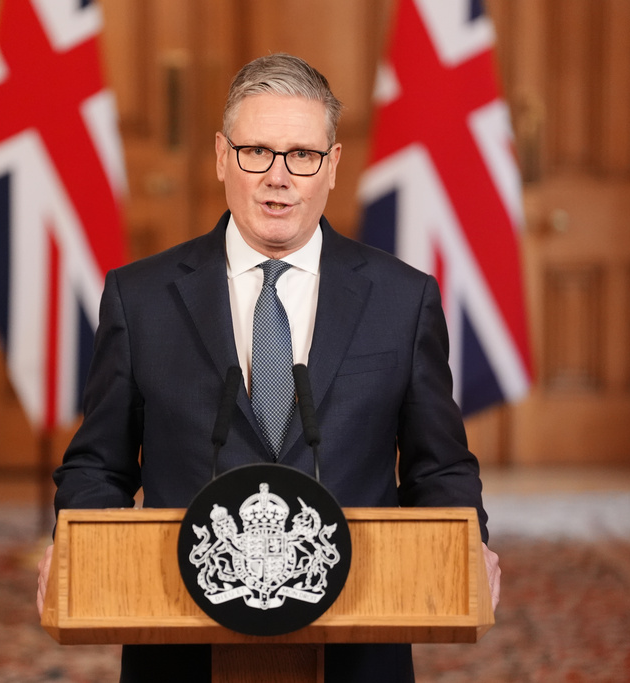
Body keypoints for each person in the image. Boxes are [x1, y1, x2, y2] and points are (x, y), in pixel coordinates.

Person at [37, 52, 501, 683]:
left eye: (302, 155)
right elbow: (98, 462)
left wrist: (466, 540)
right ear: (223, 157)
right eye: (257, 152)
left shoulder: (402, 299)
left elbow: (439, 464)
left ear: (332, 167)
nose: (278, 177)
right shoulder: (140, 298)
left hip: (358, 640)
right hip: (181, 641)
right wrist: (79, 546)